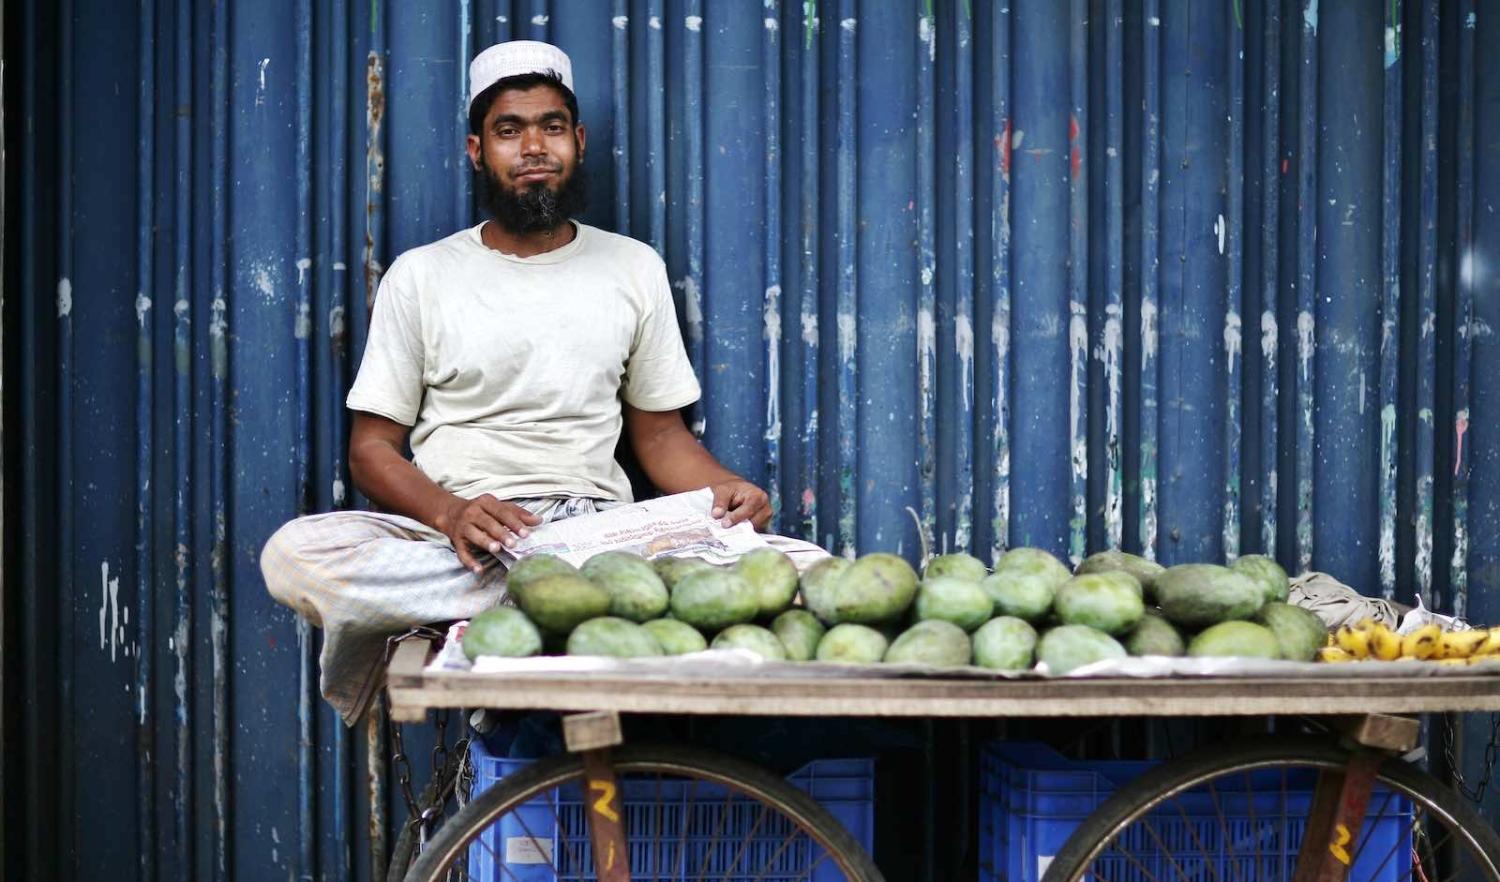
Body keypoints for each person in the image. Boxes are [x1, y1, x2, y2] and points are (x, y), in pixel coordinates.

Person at [261, 40, 823, 725]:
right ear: (477, 151)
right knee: (293, 555)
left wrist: (724, 491)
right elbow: (371, 450)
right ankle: (550, 601)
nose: (533, 147)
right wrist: (451, 515)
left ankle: (551, 599)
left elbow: (660, 435)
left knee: (806, 568)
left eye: (551, 127)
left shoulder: (631, 268)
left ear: (577, 142)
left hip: (599, 535)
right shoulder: (423, 275)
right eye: (509, 130)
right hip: (466, 545)